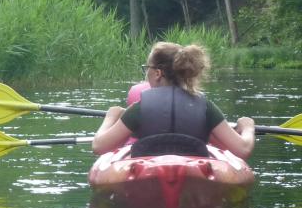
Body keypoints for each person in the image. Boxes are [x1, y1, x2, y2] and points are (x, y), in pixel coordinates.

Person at [92, 42, 255, 158]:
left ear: (157, 73)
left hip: (148, 170)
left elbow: (99, 146)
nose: (146, 73)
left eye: (147, 68)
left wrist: (111, 116)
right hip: (195, 173)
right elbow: (243, 149)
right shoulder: (205, 106)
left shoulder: (140, 108)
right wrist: (247, 127)